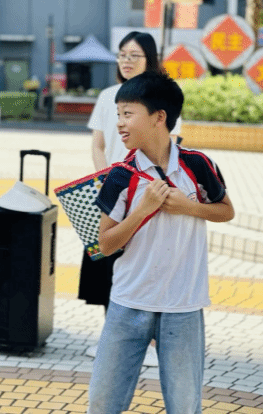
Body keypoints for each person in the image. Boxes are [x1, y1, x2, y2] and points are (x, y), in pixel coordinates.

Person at [87, 71, 235, 414]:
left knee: (184, 406)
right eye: (118, 113)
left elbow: (226, 211)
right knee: (102, 402)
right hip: (128, 301)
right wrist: (142, 210)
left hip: (183, 305)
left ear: (159, 117)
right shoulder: (120, 175)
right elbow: (105, 244)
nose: (119, 123)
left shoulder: (198, 165)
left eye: (128, 113)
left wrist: (189, 207)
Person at [81, 31, 182, 365]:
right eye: (122, 54)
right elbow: (98, 144)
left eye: (134, 55)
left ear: (149, 60)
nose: (126, 61)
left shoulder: (161, 98)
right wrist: (107, 180)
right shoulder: (107, 96)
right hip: (113, 191)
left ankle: (149, 343)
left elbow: (170, 146)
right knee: (108, 266)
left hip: (147, 194)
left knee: (146, 266)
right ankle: (112, 338)